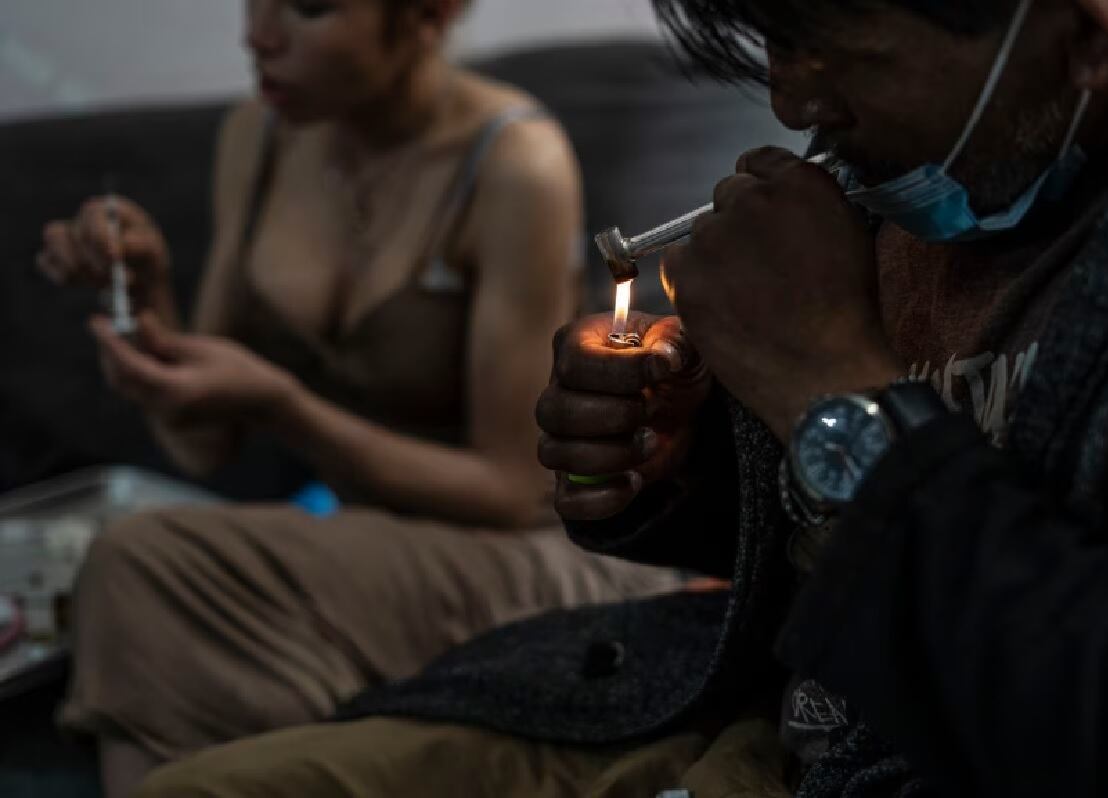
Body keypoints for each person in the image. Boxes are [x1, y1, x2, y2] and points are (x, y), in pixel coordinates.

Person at [135, 0, 1108, 795]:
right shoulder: (951, 167)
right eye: (780, 42)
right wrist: (678, 464)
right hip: (740, 720)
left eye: (833, 50)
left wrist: (825, 385)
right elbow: (820, 542)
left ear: (1086, 37)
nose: (791, 102)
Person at [36, 1, 683, 795]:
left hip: (538, 557)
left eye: (308, 8)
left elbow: (517, 490)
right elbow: (204, 446)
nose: (259, 35)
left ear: (425, 14)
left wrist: (285, 407)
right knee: (151, 576)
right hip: (372, 549)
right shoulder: (261, 137)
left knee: (141, 564)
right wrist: (149, 307)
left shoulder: (513, 162)